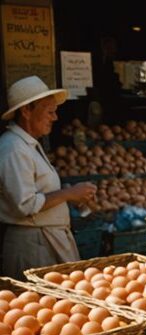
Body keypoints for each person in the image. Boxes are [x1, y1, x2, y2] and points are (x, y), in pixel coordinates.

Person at [0, 76, 96, 279]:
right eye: (49, 111)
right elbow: (25, 204)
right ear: (26, 111)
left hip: (45, 240)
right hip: (33, 245)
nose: (55, 118)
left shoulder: (29, 145)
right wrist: (69, 193)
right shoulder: (13, 148)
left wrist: (70, 196)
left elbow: (40, 193)